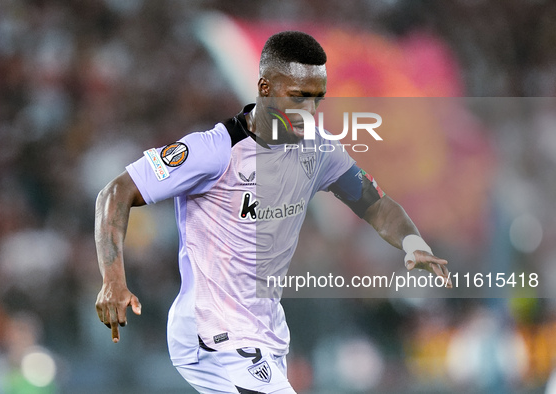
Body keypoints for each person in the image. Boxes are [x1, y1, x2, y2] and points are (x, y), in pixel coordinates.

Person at [94, 30, 452, 394]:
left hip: (266, 335)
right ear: (266, 87)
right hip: (213, 332)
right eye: (298, 97)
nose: (309, 111)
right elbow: (115, 192)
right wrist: (112, 279)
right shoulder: (215, 151)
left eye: (317, 99)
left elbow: (377, 205)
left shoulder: (320, 151)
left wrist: (410, 241)